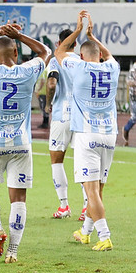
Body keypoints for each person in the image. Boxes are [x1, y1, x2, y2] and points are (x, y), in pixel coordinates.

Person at [0, 23, 50, 263]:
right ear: (16, 53)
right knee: (18, 199)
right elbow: (45, 52)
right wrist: (19, 36)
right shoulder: (28, 72)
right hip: (22, 145)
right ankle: (13, 252)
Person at [56, 10, 119, 252]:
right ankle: (85, 233)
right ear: (100, 54)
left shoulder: (78, 66)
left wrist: (78, 31)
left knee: (90, 190)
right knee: (98, 189)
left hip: (86, 135)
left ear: (81, 55)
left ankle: (105, 236)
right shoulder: (112, 67)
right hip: (109, 135)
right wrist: (93, 34)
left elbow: (60, 51)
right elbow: (109, 54)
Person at [46, 29, 88, 221]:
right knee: (84, 162)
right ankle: (87, 206)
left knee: (57, 160)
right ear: (75, 44)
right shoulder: (82, 61)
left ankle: (64, 206)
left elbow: (52, 84)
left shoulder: (56, 60)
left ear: (60, 44)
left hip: (62, 115)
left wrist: (48, 103)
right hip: (81, 116)